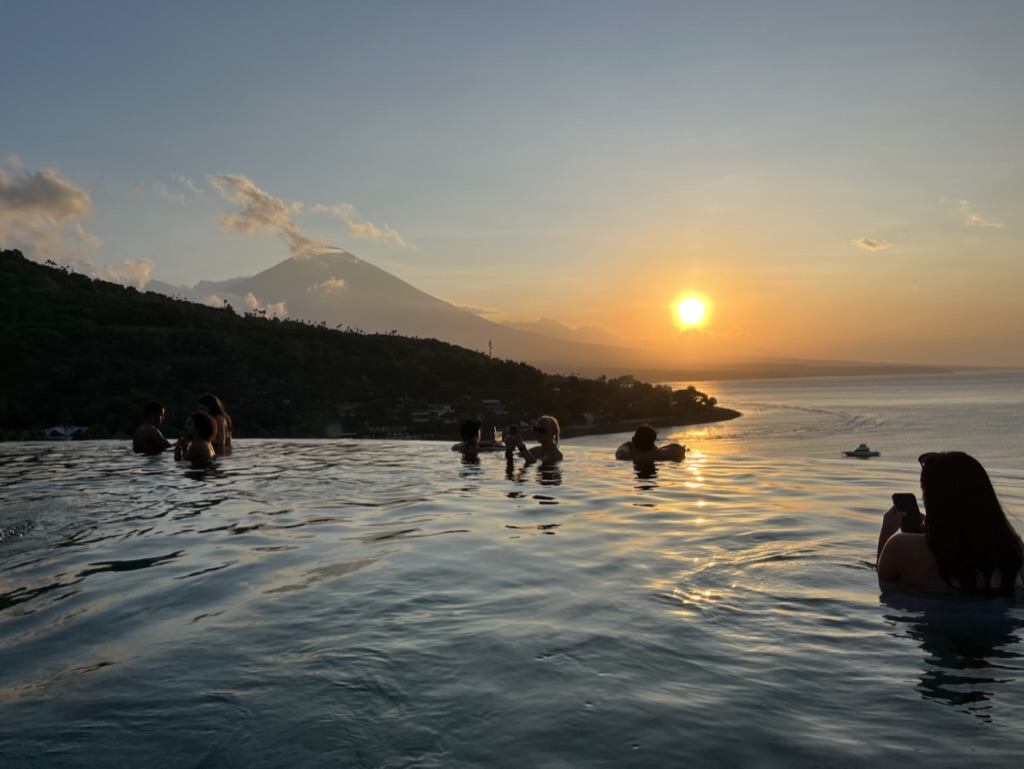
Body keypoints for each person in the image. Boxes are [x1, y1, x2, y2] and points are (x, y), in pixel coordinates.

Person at [876, 451, 1023, 596]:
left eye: (924, 492)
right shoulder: (1015, 552)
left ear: (933, 501)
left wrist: (885, 536)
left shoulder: (899, 547)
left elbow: (883, 589)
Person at [615, 424, 686, 461]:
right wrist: (656, 449)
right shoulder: (657, 454)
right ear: (653, 442)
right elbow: (678, 448)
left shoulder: (624, 456)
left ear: (633, 440)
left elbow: (623, 447)